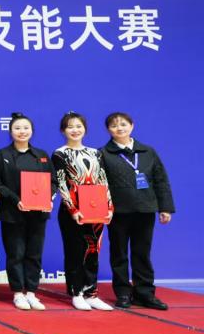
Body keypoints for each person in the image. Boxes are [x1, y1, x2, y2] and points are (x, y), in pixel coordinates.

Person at [100, 112, 174, 310]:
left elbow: (160, 180)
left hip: (145, 210)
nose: (119, 128)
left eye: (123, 124)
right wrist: (102, 209)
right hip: (117, 212)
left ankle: (145, 294)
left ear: (132, 126)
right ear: (108, 130)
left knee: (142, 253)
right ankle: (123, 293)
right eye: (114, 125)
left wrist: (165, 207)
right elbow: (99, 185)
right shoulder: (103, 154)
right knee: (119, 254)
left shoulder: (147, 151)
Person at [0, 113, 54, 310]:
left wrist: (49, 198)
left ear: (32, 131)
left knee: (34, 253)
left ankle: (32, 292)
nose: (22, 132)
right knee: (15, 253)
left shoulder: (41, 155)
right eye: (17, 128)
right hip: (12, 213)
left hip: (38, 213)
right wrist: (16, 200)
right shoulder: (2, 155)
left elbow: (53, 181)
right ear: (10, 131)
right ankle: (18, 293)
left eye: (26, 128)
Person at [53, 111, 114, 311]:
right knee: (75, 251)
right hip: (73, 211)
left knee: (93, 250)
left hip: (96, 209)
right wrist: (72, 209)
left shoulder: (96, 153)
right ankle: (76, 293)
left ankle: (92, 293)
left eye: (78, 126)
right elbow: (61, 183)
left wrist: (109, 207)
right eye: (70, 127)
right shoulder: (60, 153)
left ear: (85, 129)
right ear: (63, 130)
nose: (75, 130)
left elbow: (103, 180)